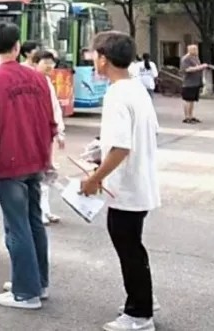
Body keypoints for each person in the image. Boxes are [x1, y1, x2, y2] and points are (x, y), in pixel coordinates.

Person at [0, 22, 59, 309]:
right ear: (17, 46)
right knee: (34, 222)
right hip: (36, 158)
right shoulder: (38, 80)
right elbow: (50, 122)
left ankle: (25, 291)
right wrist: (46, 157)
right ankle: (38, 281)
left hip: (9, 162)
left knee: (17, 226)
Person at [81, 31, 161, 331]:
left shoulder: (116, 94)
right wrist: (100, 153)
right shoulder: (137, 89)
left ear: (103, 59)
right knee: (132, 246)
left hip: (126, 188)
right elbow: (139, 136)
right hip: (140, 182)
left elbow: (121, 147)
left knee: (129, 248)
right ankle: (144, 298)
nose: (93, 60)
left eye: (94, 55)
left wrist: (94, 178)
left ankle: (139, 313)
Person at [35, 50, 67, 225]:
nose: (49, 66)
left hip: (49, 134)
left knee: (48, 174)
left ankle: (45, 210)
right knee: (40, 174)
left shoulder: (48, 82)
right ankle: (40, 211)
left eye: (51, 63)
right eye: (45, 62)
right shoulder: (34, 81)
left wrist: (60, 132)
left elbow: (55, 109)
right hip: (38, 135)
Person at [180, 44, 207, 123]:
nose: (196, 51)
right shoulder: (186, 59)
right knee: (188, 100)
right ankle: (187, 117)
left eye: (196, 49)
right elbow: (187, 69)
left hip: (196, 82)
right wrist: (200, 67)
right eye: (194, 49)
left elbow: (197, 67)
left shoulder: (195, 58)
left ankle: (191, 116)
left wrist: (201, 67)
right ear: (190, 50)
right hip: (188, 83)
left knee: (192, 100)